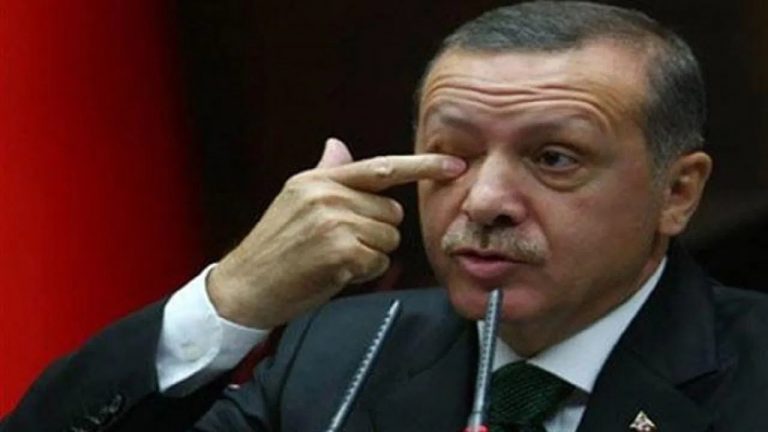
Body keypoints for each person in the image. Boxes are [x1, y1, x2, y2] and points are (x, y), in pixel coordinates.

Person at [3, 2, 768, 431]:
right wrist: (233, 300)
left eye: (554, 158)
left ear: (678, 192)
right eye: (452, 154)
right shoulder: (340, 354)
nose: (484, 201)